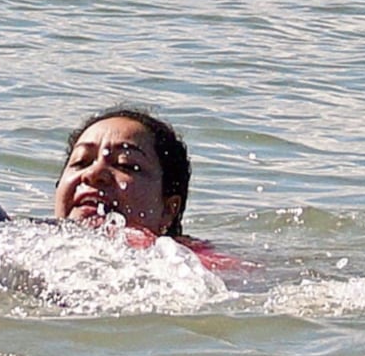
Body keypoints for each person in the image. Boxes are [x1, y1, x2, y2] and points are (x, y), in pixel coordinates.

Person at [54, 106, 245, 271]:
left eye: (125, 165)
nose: (93, 174)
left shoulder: (188, 265)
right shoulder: (32, 241)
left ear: (169, 209)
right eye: (81, 162)